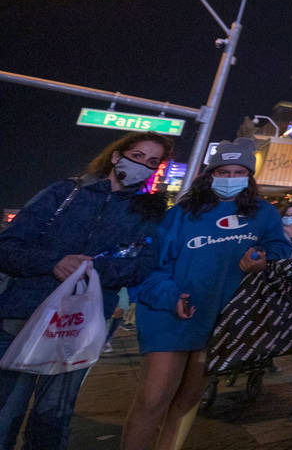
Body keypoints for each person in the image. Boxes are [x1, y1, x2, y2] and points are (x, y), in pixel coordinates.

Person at [0, 132, 171, 450]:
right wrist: (54, 263)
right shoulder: (64, 193)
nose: (143, 166)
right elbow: (8, 246)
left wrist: (91, 270)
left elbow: (142, 266)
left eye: (152, 162)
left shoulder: (146, 213)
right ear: (117, 156)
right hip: (21, 316)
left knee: (52, 418)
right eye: (137, 156)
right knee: (5, 411)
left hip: (78, 327)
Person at [122, 138, 289, 450]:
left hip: (222, 318)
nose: (230, 179)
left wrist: (263, 257)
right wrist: (171, 296)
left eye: (239, 172)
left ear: (249, 177)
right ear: (210, 174)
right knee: (153, 399)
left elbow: (280, 249)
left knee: (187, 400)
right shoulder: (182, 214)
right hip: (171, 314)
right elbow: (153, 265)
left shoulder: (265, 214)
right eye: (223, 171)